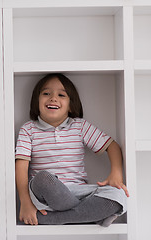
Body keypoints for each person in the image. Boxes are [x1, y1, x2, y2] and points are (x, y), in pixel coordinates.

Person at [15, 73, 129, 226]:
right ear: (37, 101)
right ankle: (90, 215)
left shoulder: (79, 126)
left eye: (61, 95)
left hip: (79, 193)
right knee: (43, 178)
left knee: (118, 196)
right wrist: (25, 202)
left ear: (70, 105)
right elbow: (21, 167)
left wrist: (116, 173)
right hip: (46, 195)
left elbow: (112, 146)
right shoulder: (29, 129)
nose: (53, 98)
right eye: (46, 93)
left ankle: (53, 219)